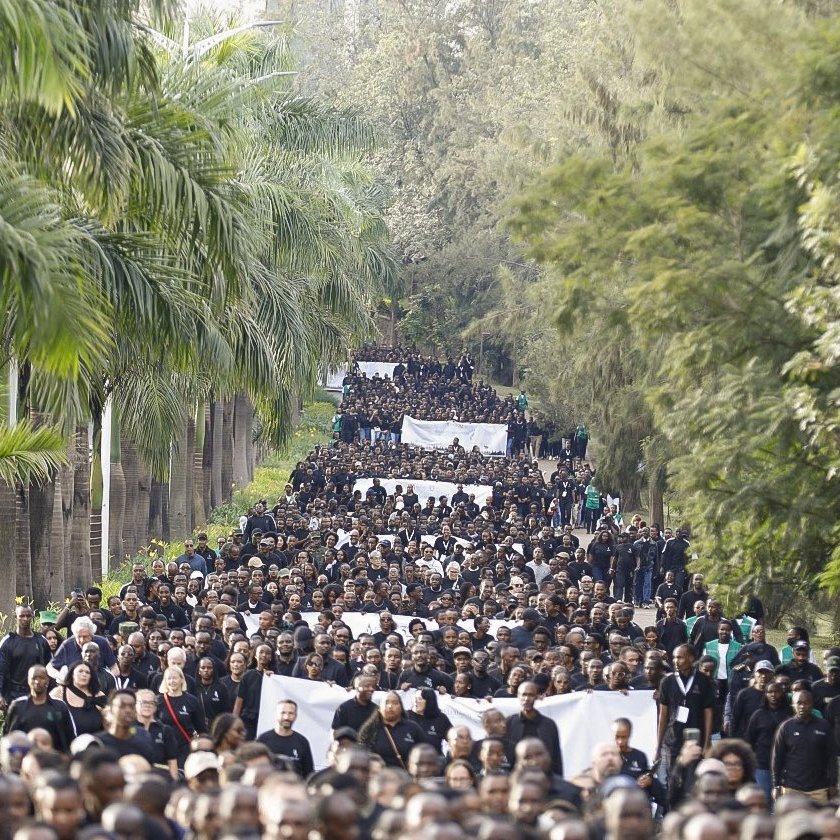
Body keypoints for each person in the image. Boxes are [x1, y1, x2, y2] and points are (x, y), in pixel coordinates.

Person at [655, 644, 716, 774]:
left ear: (691, 658)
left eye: (680, 657)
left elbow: (708, 712)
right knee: (673, 778)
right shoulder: (667, 681)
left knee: (693, 780)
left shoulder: (703, 681)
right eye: (674, 657)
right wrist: (658, 745)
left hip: (696, 738)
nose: (676, 661)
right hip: (673, 739)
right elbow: (663, 714)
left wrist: (707, 742)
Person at [771, 689, 837, 801]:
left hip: (819, 789)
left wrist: (833, 783)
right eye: (799, 703)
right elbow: (777, 758)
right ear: (793, 705)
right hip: (792, 788)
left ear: (812, 704)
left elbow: (831, 757)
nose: (802, 706)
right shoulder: (785, 727)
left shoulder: (824, 726)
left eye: (806, 703)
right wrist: (776, 785)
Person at [3, 665, 73, 752]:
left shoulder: (59, 706)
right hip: (23, 758)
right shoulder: (17, 706)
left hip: (53, 760)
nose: (37, 681)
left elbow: (70, 735)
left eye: (41, 678)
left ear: (47, 680)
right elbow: (8, 736)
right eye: (34, 678)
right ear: (28, 680)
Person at [506, 681, 563, 775]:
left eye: (531, 695)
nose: (527, 699)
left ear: (536, 697)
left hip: (544, 779)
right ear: (518, 696)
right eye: (524, 695)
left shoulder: (549, 725)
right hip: (517, 780)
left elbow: (556, 758)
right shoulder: (510, 722)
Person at [0, 606, 52, 709]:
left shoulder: (41, 641)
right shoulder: (8, 642)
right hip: (14, 695)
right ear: (16, 617)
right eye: (22, 616)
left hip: (38, 693)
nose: (25, 619)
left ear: (32, 616)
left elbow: (49, 668)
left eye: (28, 616)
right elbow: (1, 671)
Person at [357, 691, 425, 769]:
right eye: (386, 703)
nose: (390, 706)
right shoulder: (369, 729)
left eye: (395, 703)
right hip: (378, 778)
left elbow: (424, 753)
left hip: (405, 777)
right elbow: (361, 755)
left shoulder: (413, 728)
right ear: (379, 708)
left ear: (401, 707)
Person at [156, 665, 206, 766]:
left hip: (185, 747)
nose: (172, 681)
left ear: (181, 679)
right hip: (164, 747)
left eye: (174, 678)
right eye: (168, 678)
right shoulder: (158, 701)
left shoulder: (192, 701)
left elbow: (201, 728)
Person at [256, 699, 314, 777]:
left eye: (291, 713)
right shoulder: (263, 739)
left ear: (295, 716)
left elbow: (309, 773)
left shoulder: (302, 742)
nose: (286, 717)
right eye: (283, 713)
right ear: (276, 714)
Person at [48, 660, 105, 737]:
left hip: (94, 742)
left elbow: (109, 721)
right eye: (80, 671)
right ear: (72, 674)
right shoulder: (59, 692)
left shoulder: (99, 695)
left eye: (87, 672)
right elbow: (48, 714)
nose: (84, 674)